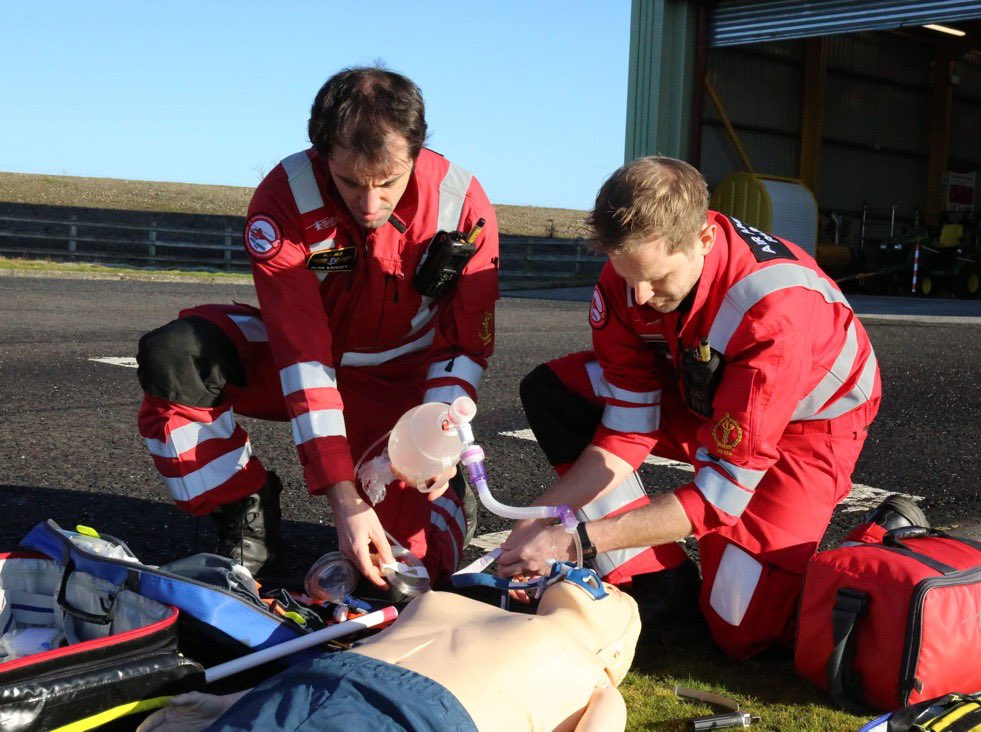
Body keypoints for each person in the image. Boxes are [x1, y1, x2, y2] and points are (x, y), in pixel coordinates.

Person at [498, 156, 880, 658]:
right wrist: (547, 516)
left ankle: (883, 539)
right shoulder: (635, 275)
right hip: (706, 392)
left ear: (702, 240)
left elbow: (720, 496)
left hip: (806, 428)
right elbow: (626, 431)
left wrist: (576, 541)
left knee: (741, 633)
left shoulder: (775, 316)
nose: (638, 296)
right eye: (626, 274)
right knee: (555, 390)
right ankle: (655, 578)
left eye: (655, 280)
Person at [135, 67, 499, 587]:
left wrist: (437, 440)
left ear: (418, 151)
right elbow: (302, 352)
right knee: (175, 355)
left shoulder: (462, 203)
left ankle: (447, 497)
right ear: (320, 151)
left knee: (402, 576)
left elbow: (464, 342)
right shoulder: (283, 198)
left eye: (388, 183)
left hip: (402, 383)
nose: (369, 205)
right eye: (350, 182)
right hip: (303, 357)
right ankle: (243, 509)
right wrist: (342, 495)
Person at [137, 567, 641, 732]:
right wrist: (227, 703)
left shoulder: (596, 680)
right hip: (304, 689)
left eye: (619, 594)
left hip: (413, 719)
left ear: (615, 655)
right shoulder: (456, 605)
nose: (599, 580)